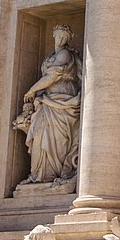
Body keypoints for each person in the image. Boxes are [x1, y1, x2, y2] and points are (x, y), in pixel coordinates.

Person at [14, 23, 82, 184]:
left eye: (64, 37)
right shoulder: (51, 56)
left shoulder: (65, 54)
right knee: (39, 133)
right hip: (48, 99)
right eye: (58, 36)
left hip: (63, 96)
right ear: (54, 36)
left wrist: (31, 90)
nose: (61, 39)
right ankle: (39, 175)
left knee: (58, 139)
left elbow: (52, 77)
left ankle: (53, 174)